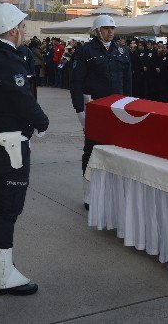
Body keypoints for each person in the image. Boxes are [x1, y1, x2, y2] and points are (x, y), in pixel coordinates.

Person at [0, 3, 49, 296]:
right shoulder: (10, 61)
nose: (25, 31)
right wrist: (42, 122)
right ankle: (2, 276)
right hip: (11, 144)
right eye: (23, 26)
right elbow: (22, 99)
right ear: (13, 29)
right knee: (7, 209)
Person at [70, 15, 132, 210]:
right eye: (106, 29)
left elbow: (128, 81)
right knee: (92, 150)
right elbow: (76, 82)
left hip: (118, 109)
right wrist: (80, 110)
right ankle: (89, 192)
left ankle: (112, 192)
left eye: (112, 29)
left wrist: (130, 106)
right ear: (97, 31)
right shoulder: (85, 52)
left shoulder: (122, 51)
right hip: (95, 109)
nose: (110, 32)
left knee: (117, 150)